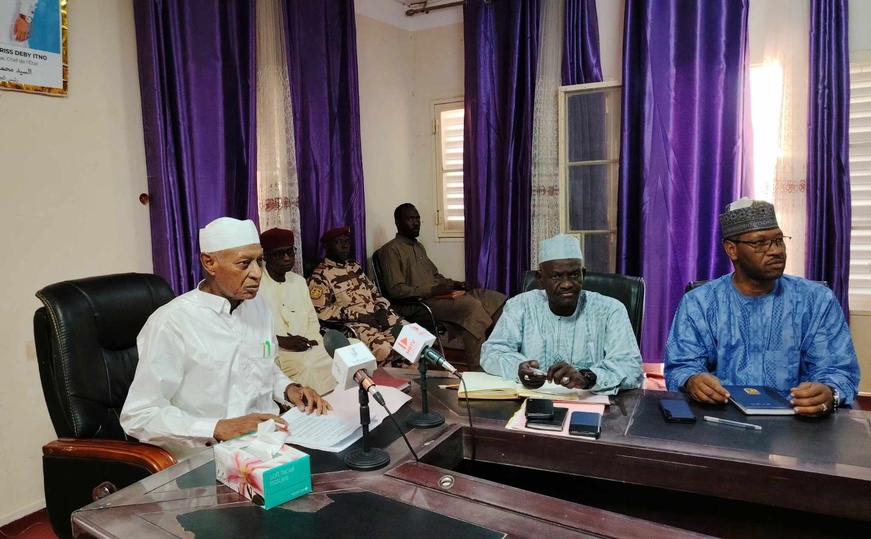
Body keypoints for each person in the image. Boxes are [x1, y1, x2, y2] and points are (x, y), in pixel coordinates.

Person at [120, 217, 331, 459]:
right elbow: (139, 415)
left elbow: (264, 368)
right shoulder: (172, 323)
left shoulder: (258, 307)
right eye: (244, 263)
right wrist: (219, 428)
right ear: (210, 262)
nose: (257, 273)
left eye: (259, 261)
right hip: (207, 457)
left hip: (269, 442)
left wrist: (289, 389)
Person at [665, 198, 860, 415]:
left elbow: (839, 370)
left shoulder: (816, 301)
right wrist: (693, 381)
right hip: (722, 420)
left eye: (779, 240)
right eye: (760, 243)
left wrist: (828, 392)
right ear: (731, 249)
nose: (776, 250)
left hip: (799, 423)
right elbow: (681, 368)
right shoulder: (700, 303)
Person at [480, 234, 643, 394]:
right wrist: (518, 368)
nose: (566, 284)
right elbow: (492, 352)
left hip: (591, 405)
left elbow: (631, 367)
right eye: (556, 276)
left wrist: (587, 378)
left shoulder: (610, 310)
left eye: (574, 275)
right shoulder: (520, 306)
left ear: (583, 275)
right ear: (541, 278)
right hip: (532, 402)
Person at [379, 203, 506, 370]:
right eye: (410, 219)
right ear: (398, 222)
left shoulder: (418, 246)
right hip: (417, 305)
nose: (416, 223)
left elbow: (434, 276)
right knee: (471, 307)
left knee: (494, 299)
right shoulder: (390, 250)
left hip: (437, 297)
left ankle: (498, 357)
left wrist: (452, 284)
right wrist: (433, 291)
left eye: (418, 219)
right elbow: (395, 291)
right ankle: (476, 368)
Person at [308, 226, 406, 367]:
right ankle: (383, 384)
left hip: (378, 316)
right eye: (339, 242)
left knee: (412, 338)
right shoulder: (320, 276)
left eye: (347, 241)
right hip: (355, 324)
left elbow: (375, 293)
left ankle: (411, 379)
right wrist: (358, 316)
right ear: (326, 246)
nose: (345, 245)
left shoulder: (354, 267)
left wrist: (381, 310)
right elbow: (320, 311)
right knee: (383, 348)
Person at [258, 227, 336, 395]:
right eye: (279, 254)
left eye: (290, 252)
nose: (287, 258)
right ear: (265, 256)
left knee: (351, 350)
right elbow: (253, 335)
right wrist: (282, 342)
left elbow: (311, 320)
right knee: (308, 366)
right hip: (277, 352)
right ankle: (317, 410)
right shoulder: (256, 286)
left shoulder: (299, 282)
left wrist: (312, 341)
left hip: (309, 346)